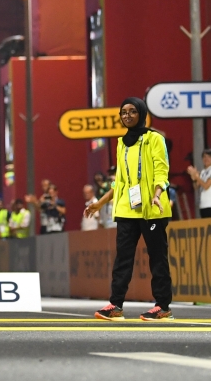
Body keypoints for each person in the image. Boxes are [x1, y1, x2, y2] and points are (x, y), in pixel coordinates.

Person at [84, 97, 173, 322]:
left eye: (132, 112)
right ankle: (116, 305)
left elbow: (162, 172)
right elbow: (120, 182)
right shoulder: (121, 142)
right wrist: (100, 203)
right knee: (123, 258)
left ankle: (163, 307)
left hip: (152, 209)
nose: (127, 116)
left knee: (157, 257)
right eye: (123, 112)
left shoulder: (155, 139)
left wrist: (156, 195)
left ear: (141, 113)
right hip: (126, 210)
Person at [188, 149, 211, 218]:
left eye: (208, 157)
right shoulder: (203, 172)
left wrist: (197, 177)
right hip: (202, 206)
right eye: (204, 157)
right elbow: (196, 187)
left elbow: (206, 186)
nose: (206, 159)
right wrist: (193, 178)